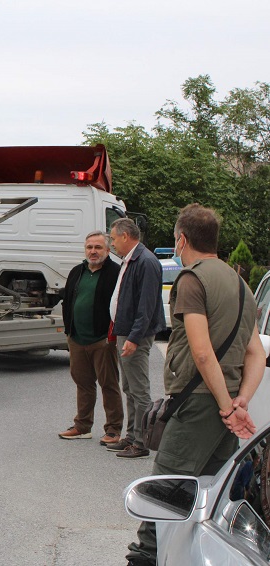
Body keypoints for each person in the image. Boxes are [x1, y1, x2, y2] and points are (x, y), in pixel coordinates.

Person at [125, 204, 265, 566]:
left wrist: (224, 406)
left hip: (201, 403)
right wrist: (240, 402)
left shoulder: (192, 279)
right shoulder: (240, 284)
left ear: (182, 239)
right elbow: (255, 354)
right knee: (208, 494)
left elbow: (202, 355)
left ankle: (144, 558)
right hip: (226, 403)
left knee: (162, 492)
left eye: (175, 241)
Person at [106, 218, 166, 459]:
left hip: (135, 335)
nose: (111, 243)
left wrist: (134, 337)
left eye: (112, 238)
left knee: (139, 390)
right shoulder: (131, 260)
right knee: (129, 387)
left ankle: (141, 443)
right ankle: (131, 436)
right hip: (126, 332)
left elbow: (147, 305)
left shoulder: (146, 261)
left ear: (125, 236)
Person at [58, 231, 124, 445]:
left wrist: (111, 336)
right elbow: (67, 301)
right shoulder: (77, 271)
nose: (93, 251)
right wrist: (69, 331)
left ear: (107, 250)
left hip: (103, 340)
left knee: (109, 384)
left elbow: (120, 305)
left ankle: (113, 430)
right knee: (83, 383)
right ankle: (82, 426)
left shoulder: (116, 272)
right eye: (89, 247)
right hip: (77, 338)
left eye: (98, 247)